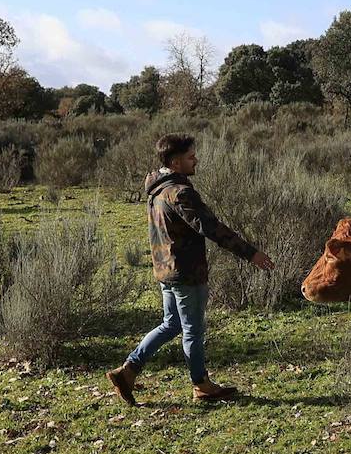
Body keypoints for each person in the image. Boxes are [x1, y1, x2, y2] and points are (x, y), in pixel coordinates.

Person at [106, 133, 274, 405]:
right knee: (192, 330)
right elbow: (211, 227)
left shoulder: (156, 189)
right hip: (186, 272)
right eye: (190, 157)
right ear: (175, 162)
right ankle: (201, 384)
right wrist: (250, 253)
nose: (196, 160)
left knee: (171, 324)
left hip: (166, 270)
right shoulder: (179, 193)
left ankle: (128, 371)